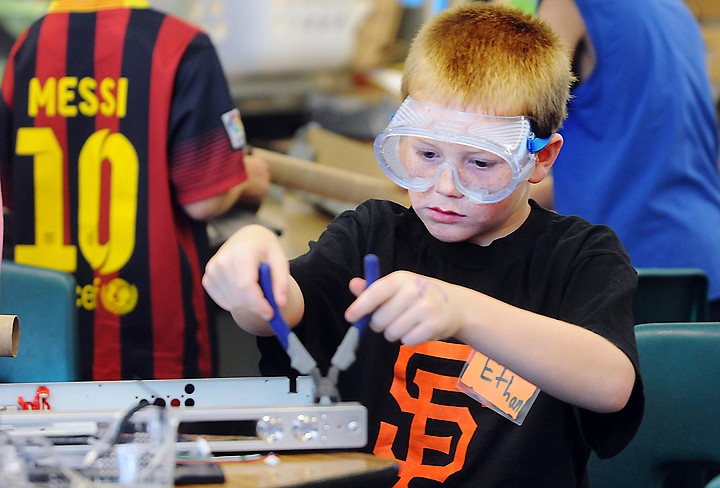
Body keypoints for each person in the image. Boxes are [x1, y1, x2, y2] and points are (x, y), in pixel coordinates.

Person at [202, 4, 643, 486]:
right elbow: (277, 309)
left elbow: (611, 384)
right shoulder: (371, 236)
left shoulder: (579, 255)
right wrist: (251, 258)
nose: (445, 186)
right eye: (427, 153)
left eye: (481, 163)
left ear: (540, 159)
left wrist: (463, 311)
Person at [0, 0, 269, 380]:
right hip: (150, 332)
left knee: (48, 415)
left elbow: (10, 192)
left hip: (43, 328)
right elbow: (204, 199)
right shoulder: (180, 45)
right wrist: (245, 180)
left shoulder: (30, 44)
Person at [531, 0, 720, 321]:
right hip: (703, 257)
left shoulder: (568, 5)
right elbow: (631, 160)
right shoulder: (675, 10)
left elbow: (522, 110)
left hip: (626, 263)